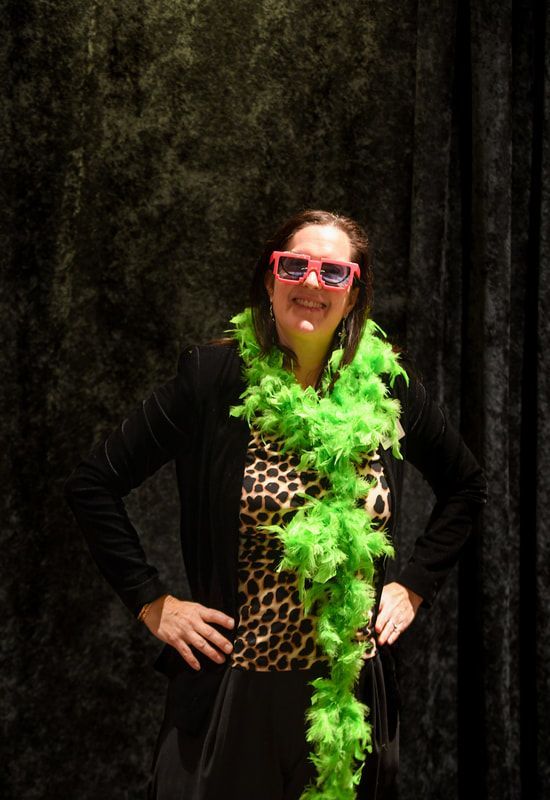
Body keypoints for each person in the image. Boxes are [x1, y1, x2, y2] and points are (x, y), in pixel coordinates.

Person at [64, 208, 488, 800]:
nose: (312, 282)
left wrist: (413, 584)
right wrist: (151, 602)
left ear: (353, 290)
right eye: (296, 266)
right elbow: (93, 484)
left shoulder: (387, 389)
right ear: (271, 280)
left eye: (333, 272)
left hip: (349, 698)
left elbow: (467, 486)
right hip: (233, 697)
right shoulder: (211, 378)